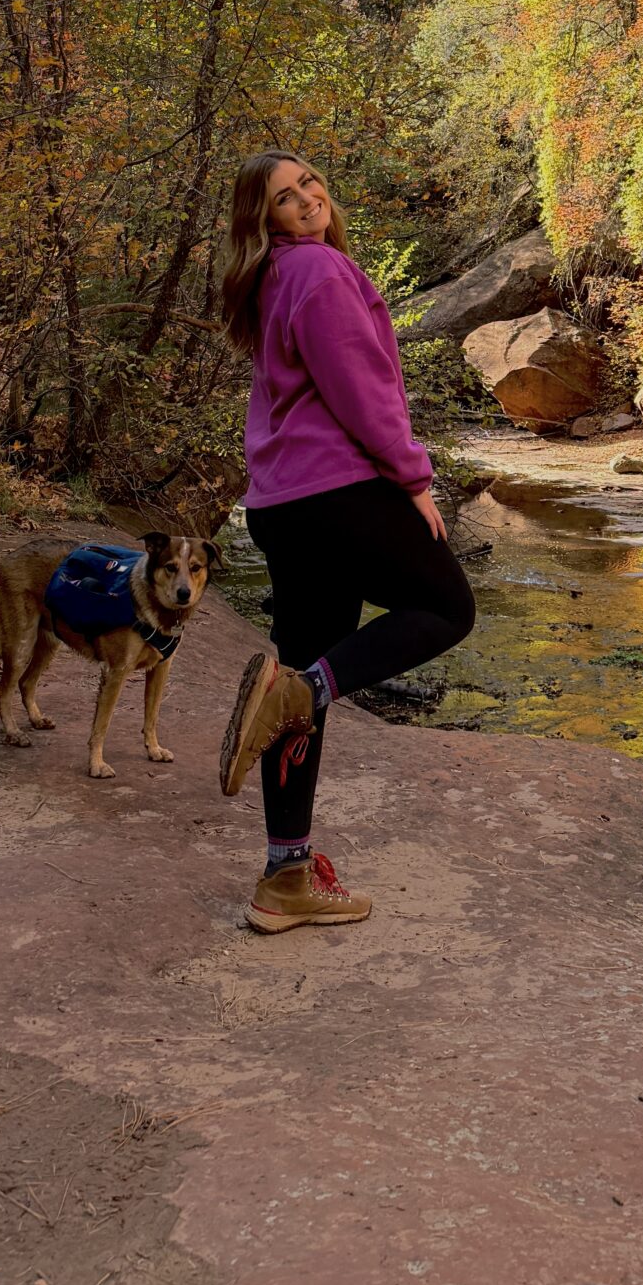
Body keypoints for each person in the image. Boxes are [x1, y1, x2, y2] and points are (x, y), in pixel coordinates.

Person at [217, 147, 475, 931]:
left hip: (283, 502)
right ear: (263, 220)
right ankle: (303, 689)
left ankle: (285, 876)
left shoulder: (271, 279)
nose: (304, 200)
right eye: (283, 198)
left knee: (303, 674)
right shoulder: (320, 274)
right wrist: (413, 477)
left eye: (309, 184)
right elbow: (360, 388)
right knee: (445, 607)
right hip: (339, 489)